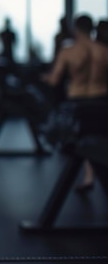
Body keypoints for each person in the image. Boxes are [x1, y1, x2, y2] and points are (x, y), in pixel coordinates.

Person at [43, 14, 108, 192]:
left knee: (84, 140)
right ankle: (89, 177)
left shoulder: (69, 51)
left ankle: (89, 178)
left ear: (76, 29)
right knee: (98, 139)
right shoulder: (103, 50)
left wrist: (46, 78)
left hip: (77, 102)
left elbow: (55, 80)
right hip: (101, 100)